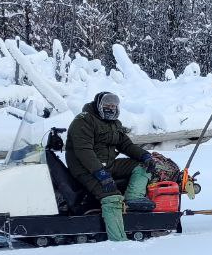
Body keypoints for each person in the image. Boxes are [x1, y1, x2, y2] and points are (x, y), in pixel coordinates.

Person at [67, 92, 157, 241]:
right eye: (107, 105)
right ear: (98, 105)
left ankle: (132, 201)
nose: (111, 108)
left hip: (108, 164)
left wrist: (145, 156)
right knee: (112, 198)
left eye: (113, 105)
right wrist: (100, 174)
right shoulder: (84, 120)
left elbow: (126, 145)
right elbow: (84, 151)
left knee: (143, 167)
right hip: (86, 169)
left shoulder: (114, 123)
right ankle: (119, 242)